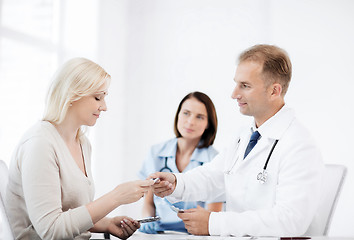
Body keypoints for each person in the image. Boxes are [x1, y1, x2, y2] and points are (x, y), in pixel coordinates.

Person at [149, 44, 324, 237]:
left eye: (245, 86)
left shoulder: (299, 145)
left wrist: (214, 223)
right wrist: (176, 183)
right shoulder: (244, 136)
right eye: (236, 83)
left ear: (274, 91)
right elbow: (213, 177)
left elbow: (290, 221)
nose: (234, 94)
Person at [6, 58, 154, 240]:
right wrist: (116, 197)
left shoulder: (82, 142)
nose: (104, 107)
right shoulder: (40, 143)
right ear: (71, 95)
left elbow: (72, 214)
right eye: (98, 97)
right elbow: (51, 230)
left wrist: (107, 223)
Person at [138, 91, 223, 234]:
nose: (190, 121)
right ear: (178, 114)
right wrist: (147, 219)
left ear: (208, 123)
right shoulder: (156, 153)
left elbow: (212, 215)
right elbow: (148, 202)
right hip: (159, 233)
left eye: (200, 117)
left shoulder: (215, 159)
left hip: (197, 235)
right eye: (186, 113)